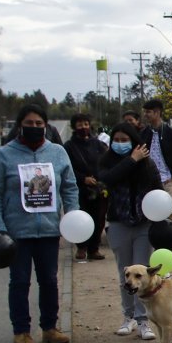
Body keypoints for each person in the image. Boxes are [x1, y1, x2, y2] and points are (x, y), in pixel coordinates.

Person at [0, 104, 79, 343]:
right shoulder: (4, 155)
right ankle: (21, 331)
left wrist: (73, 215)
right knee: (19, 282)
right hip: (16, 234)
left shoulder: (57, 152)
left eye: (40, 124)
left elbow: (69, 186)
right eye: (30, 123)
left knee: (49, 280)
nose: (35, 127)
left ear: (46, 126)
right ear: (20, 125)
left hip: (49, 230)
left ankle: (50, 327)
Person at [97, 121, 163, 340]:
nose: (120, 143)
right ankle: (128, 317)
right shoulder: (107, 162)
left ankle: (144, 320)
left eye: (125, 140)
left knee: (142, 274)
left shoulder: (149, 165)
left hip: (144, 224)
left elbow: (158, 192)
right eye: (116, 140)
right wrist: (130, 160)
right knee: (124, 275)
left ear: (134, 141)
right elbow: (107, 180)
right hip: (118, 224)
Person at [65, 112, 109, 262]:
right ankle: (81, 247)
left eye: (85, 124)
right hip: (79, 189)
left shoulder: (98, 144)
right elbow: (67, 169)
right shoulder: (69, 147)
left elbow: (106, 163)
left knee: (99, 219)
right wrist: (83, 179)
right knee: (81, 218)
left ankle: (94, 249)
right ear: (74, 127)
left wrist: (100, 178)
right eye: (79, 125)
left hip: (98, 189)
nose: (83, 127)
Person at [140, 99, 172, 224]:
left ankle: (171, 237)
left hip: (167, 179)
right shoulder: (144, 133)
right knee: (151, 211)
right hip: (150, 180)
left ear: (157, 112)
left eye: (148, 112)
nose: (146, 115)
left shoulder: (171, 132)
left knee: (170, 211)